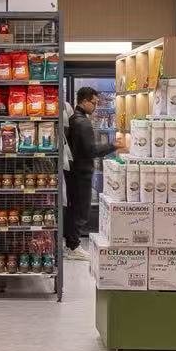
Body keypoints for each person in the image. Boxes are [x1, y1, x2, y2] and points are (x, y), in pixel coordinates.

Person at [63, 86, 116, 260]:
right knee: (80, 210)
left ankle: (71, 244)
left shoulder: (74, 119)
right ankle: (73, 247)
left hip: (74, 172)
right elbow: (91, 150)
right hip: (81, 173)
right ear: (84, 101)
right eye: (94, 103)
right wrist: (113, 146)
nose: (95, 106)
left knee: (74, 209)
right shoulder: (82, 122)